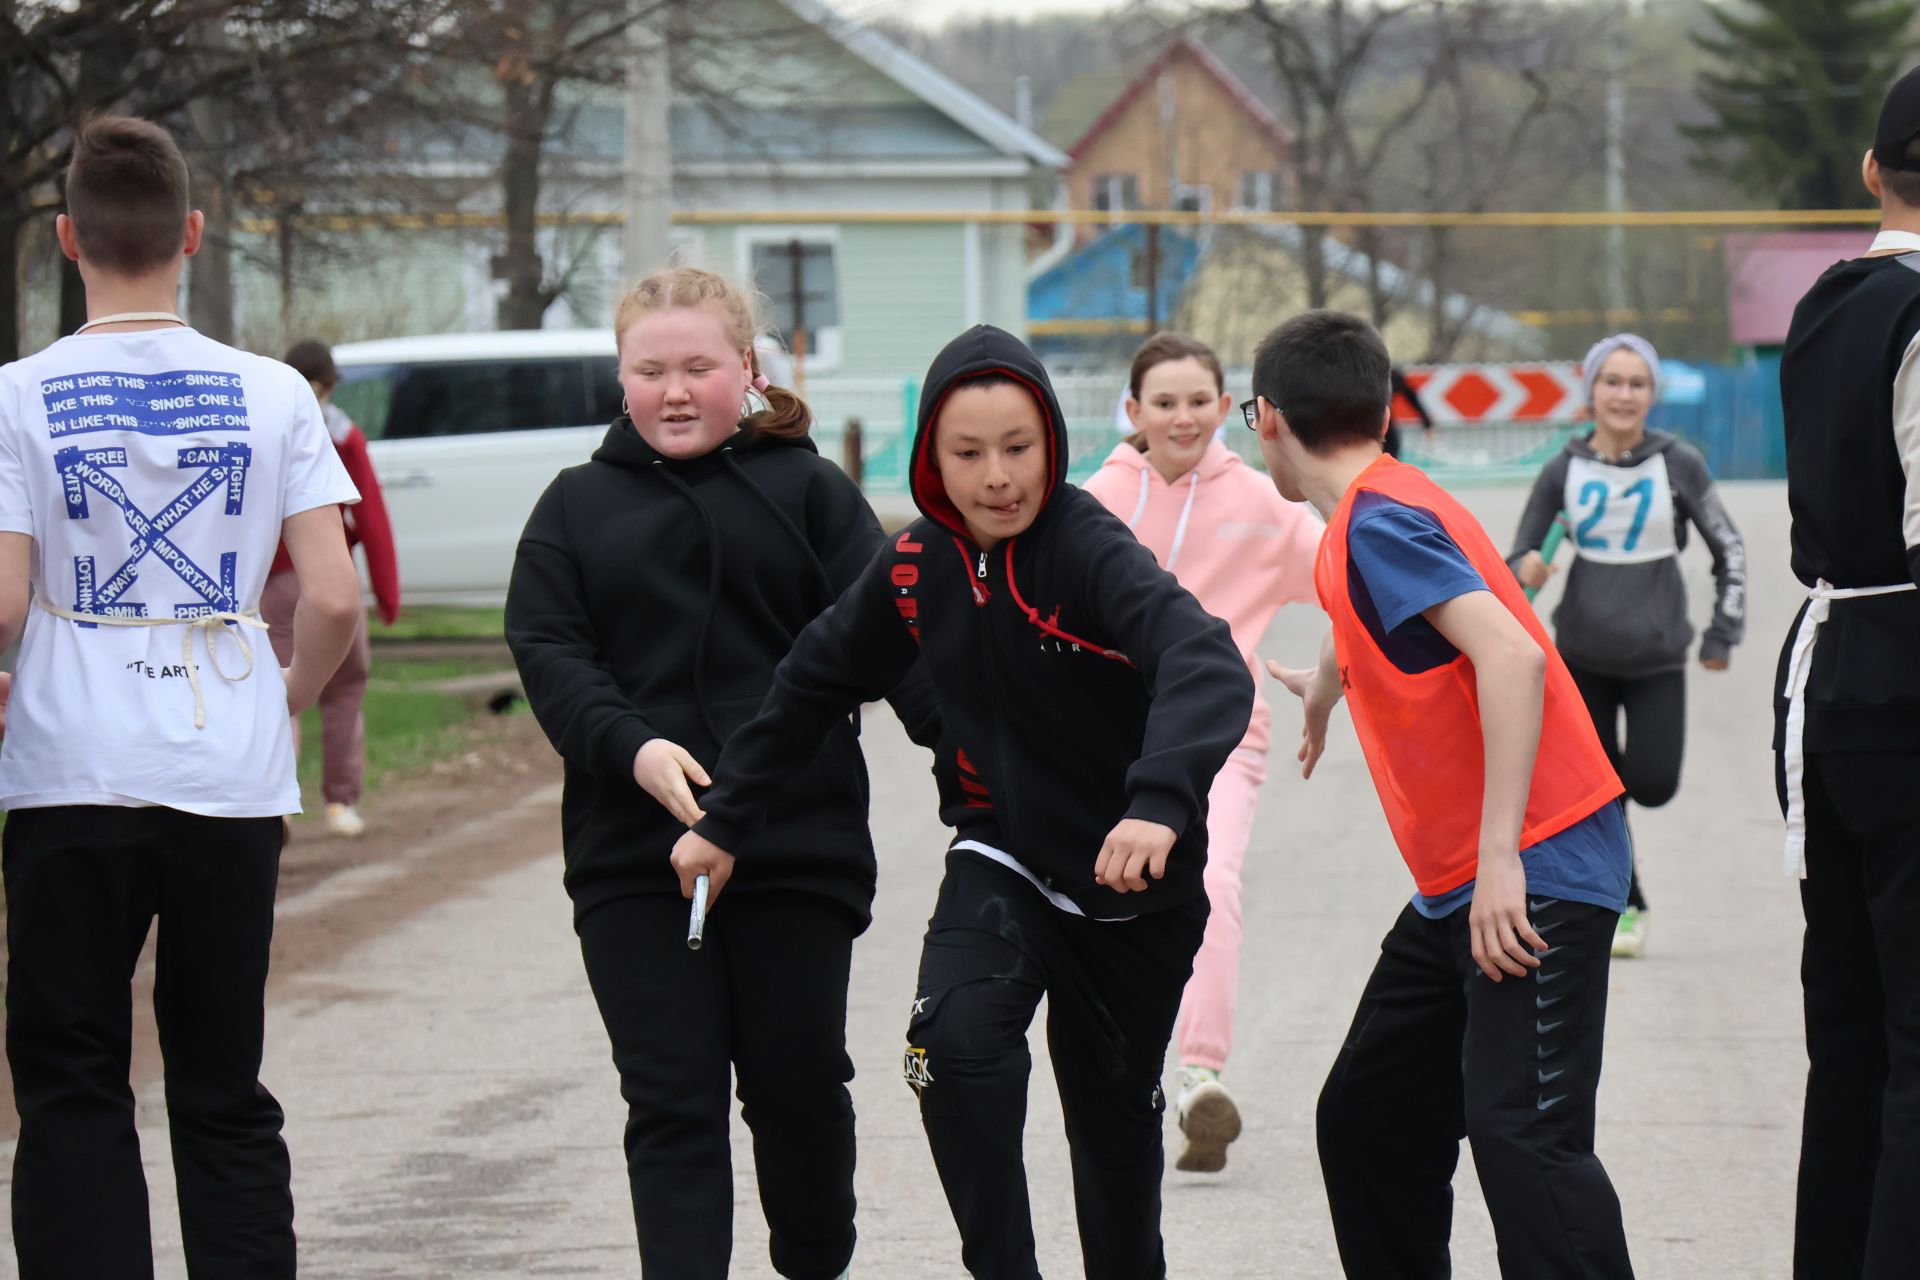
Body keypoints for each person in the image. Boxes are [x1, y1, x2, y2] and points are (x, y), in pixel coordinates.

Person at [670, 324, 1252, 1280]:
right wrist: (726, 821)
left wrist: (1156, 802)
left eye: (1018, 449)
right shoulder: (914, 564)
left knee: (1111, 1145)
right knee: (950, 1052)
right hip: (1004, 855)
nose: (996, 477)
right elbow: (813, 680)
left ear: (1053, 446)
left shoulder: (1088, 550)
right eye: (968, 453)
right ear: (931, 460)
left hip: (1132, 886)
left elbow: (1204, 663)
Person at [505, 265, 937, 1280]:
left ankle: (815, 1257)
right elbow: (552, 656)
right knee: (670, 1097)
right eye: (650, 370)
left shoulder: (811, 494)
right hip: (634, 858)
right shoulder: (572, 510)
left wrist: (987, 774)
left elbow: (894, 646)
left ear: (744, 368)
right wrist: (633, 746)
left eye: (698, 365)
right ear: (621, 381)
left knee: (797, 1089)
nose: (675, 390)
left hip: (795, 847)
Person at [0, 115, 363, 1279]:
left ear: (67, 238)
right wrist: (289, 697)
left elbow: (3, 604)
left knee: (70, 1076)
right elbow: (337, 597)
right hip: (227, 769)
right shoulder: (276, 395)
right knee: (218, 1076)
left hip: (70, 769)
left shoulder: (15, 396)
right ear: (193, 235)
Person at [1253, 310, 1634, 1278]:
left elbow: (1508, 655)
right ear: (1386, 410)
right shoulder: (1376, 507)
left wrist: (1505, 853)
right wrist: (1333, 679)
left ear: (1265, 418)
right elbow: (1421, 609)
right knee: (1368, 1119)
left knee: (1525, 1138)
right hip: (1459, 882)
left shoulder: (1377, 521)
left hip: (1533, 857)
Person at [1082, 331, 1320, 1172]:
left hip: (1221, 736)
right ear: (1133, 411)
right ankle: (1124, 1075)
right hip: (1100, 738)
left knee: (1211, 882)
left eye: (1199, 402)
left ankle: (1199, 1077)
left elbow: (1354, 576)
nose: (1183, 417)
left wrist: (1346, 669)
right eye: (1164, 401)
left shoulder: (1265, 505)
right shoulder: (1092, 503)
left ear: (1227, 410)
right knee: (1103, 905)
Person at [1774, 66, 1920, 1280]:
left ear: (1872, 170)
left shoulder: (1826, 300)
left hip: (1825, 676)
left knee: (1852, 1028)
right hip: (1908, 674)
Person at [1508, 333, 1746, 957]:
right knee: (1598, 791)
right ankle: (1626, 903)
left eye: (1637, 383)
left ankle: (1619, 887)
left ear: (1652, 395)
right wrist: (1525, 567)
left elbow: (1731, 549)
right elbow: (1515, 558)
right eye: (1611, 381)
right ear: (1591, 389)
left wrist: (1723, 630)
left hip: (1656, 657)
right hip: (1581, 656)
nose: (1623, 394)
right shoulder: (1563, 466)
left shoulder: (1679, 462)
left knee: (1652, 782)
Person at [263, 338, 401, 838]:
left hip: (272, 582)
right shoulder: (342, 434)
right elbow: (371, 515)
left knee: (276, 687)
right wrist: (386, 592)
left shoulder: (260, 426)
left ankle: (276, 799)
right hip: (331, 574)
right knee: (344, 687)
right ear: (323, 386)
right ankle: (341, 803)